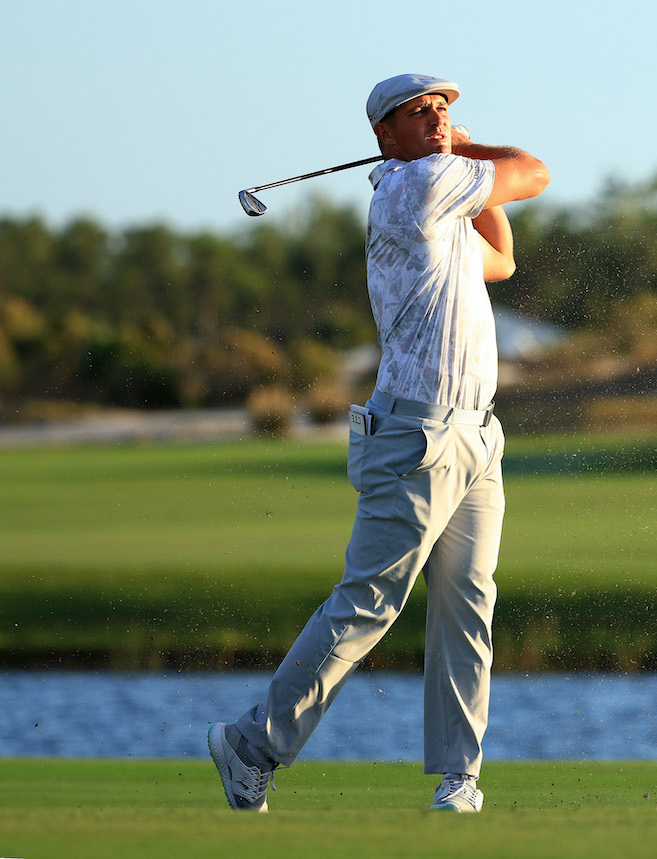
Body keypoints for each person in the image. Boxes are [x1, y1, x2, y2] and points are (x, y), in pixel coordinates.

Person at [209, 72, 549, 814]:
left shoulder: (443, 197)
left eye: (443, 110)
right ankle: (251, 743)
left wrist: (460, 155)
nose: (435, 119)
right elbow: (533, 170)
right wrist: (469, 147)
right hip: (416, 433)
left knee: (469, 601)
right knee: (369, 600)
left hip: (474, 433)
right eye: (417, 113)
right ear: (384, 136)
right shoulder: (412, 191)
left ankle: (460, 776)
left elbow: (502, 258)